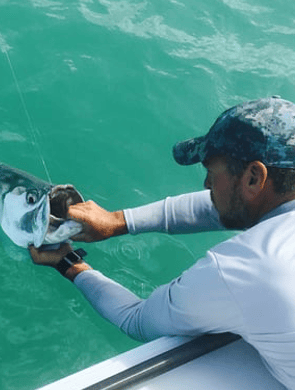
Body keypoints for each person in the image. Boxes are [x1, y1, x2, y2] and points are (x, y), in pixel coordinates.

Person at [29, 96, 295, 390]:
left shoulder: (246, 268)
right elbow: (227, 206)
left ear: (254, 177)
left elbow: (136, 320)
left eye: (210, 171)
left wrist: (68, 262)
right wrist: (118, 221)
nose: (206, 185)